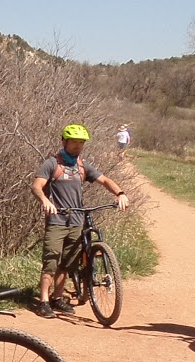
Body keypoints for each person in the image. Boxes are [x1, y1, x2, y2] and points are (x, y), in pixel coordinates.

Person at [30, 123, 128, 319]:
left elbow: (105, 180)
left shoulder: (82, 166)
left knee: (68, 263)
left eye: (81, 143)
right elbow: (36, 186)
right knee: (51, 260)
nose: (77, 146)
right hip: (57, 220)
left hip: (76, 220)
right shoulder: (52, 164)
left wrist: (120, 193)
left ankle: (58, 298)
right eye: (74, 142)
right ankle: (43, 301)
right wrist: (45, 201)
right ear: (64, 142)